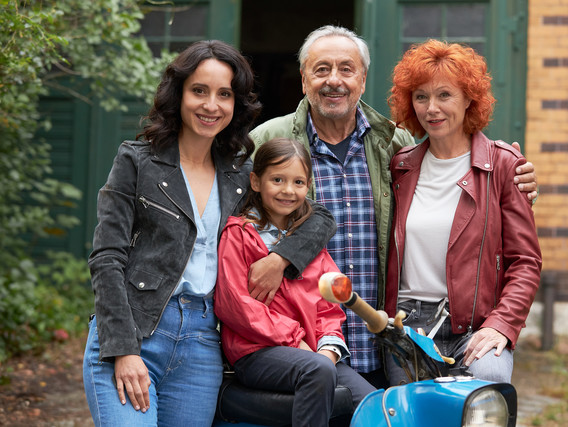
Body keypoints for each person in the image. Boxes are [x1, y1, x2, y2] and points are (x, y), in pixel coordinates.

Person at [249, 25, 538, 386]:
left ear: (363, 80)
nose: (333, 80)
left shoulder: (393, 146)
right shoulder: (268, 142)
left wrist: (518, 182)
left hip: (391, 335)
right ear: (304, 80)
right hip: (318, 336)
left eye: (346, 69)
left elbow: (521, 255)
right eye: (321, 69)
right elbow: (236, 225)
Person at [82, 40, 336, 426]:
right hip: (138, 330)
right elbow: (107, 258)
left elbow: (318, 218)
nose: (211, 105)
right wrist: (123, 349)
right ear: (179, 94)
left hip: (202, 345)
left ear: (236, 104)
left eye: (224, 94)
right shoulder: (137, 161)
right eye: (199, 91)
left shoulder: (239, 175)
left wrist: (280, 258)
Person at [384, 39, 542, 385]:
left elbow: (526, 261)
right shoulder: (400, 167)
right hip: (407, 327)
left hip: (475, 326)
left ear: (469, 98)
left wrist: (502, 324)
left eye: (445, 95)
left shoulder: (501, 165)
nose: (431, 108)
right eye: (421, 96)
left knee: (487, 393)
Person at [214, 137, 376, 427]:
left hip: (313, 353)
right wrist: (297, 342)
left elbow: (329, 306)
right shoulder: (239, 234)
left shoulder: (309, 242)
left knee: (377, 405)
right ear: (255, 181)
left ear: (308, 186)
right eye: (277, 179)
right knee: (317, 371)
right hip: (256, 351)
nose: (288, 190)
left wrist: (328, 349)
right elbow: (234, 305)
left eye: (298, 182)